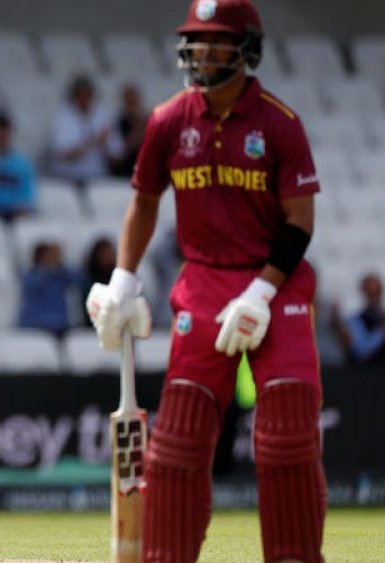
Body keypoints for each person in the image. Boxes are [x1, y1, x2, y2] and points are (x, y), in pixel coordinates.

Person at [84, 1, 326, 561]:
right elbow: (143, 203)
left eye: (214, 41)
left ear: (246, 50)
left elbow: (300, 222)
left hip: (278, 283)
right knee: (177, 443)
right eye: (194, 41)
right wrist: (124, 279)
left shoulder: (279, 124)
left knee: (287, 436)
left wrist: (262, 293)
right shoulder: (169, 120)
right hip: (204, 281)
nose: (199, 51)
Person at [48, 75, 123, 216]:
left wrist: (105, 145)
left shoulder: (104, 116)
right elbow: (63, 155)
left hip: (98, 179)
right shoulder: (62, 117)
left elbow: (117, 158)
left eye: (87, 95)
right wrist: (94, 141)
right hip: (68, 179)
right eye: (79, 95)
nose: (83, 100)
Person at [18, 241, 79, 349]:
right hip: (35, 324)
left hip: (59, 326)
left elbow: (80, 280)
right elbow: (29, 286)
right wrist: (47, 270)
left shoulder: (62, 274)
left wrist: (60, 265)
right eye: (48, 255)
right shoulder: (30, 274)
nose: (51, 258)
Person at [332, 272, 385, 365]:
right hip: (363, 374)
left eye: (376, 292)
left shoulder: (380, 317)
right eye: (370, 292)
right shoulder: (355, 320)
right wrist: (381, 331)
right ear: (363, 292)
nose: (373, 297)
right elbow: (361, 351)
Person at [110, 83, 148, 177]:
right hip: (123, 175)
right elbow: (117, 152)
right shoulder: (117, 122)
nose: (132, 104)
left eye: (134, 100)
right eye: (129, 101)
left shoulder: (147, 120)